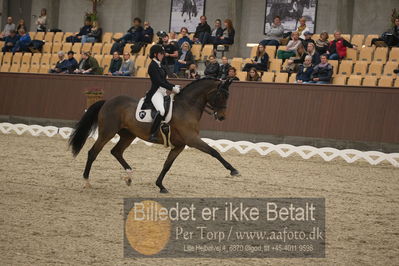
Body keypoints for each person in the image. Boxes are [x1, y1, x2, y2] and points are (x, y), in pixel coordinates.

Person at [144, 45, 181, 142]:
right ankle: (152, 134)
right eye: (161, 54)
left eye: (163, 54)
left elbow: (164, 81)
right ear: (155, 54)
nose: (162, 55)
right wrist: (172, 89)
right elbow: (159, 82)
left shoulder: (160, 65)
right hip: (156, 92)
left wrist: (174, 86)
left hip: (163, 92)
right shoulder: (152, 66)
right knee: (161, 110)